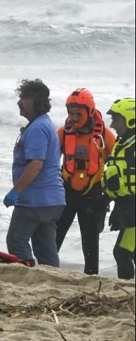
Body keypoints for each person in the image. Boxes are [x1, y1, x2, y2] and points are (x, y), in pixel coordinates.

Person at [4, 79, 65, 267]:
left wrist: (16, 191)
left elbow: (36, 164)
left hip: (36, 200)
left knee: (16, 240)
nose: (19, 102)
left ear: (38, 102)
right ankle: (52, 280)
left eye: (25, 98)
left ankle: (27, 274)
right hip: (53, 200)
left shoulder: (38, 128)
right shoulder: (44, 124)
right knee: (46, 249)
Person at [55, 88, 116, 275]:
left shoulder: (106, 136)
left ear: (90, 111)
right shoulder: (62, 133)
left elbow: (117, 168)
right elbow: (49, 162)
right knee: (54, 237)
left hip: (93, 195)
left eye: (77, 113)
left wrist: (109, 197)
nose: (73, 117)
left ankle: (91, 277)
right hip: (66, 192)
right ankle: (46, 270)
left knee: (90, 243)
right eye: (70, 113)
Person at [103, 97, 135, 279]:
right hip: (126, 205)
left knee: (122, 252)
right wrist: (108, 202)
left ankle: (126, 291)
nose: (112, 124)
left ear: (130, 119)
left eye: (116, 119)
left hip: (133, 207)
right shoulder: (123, 144)